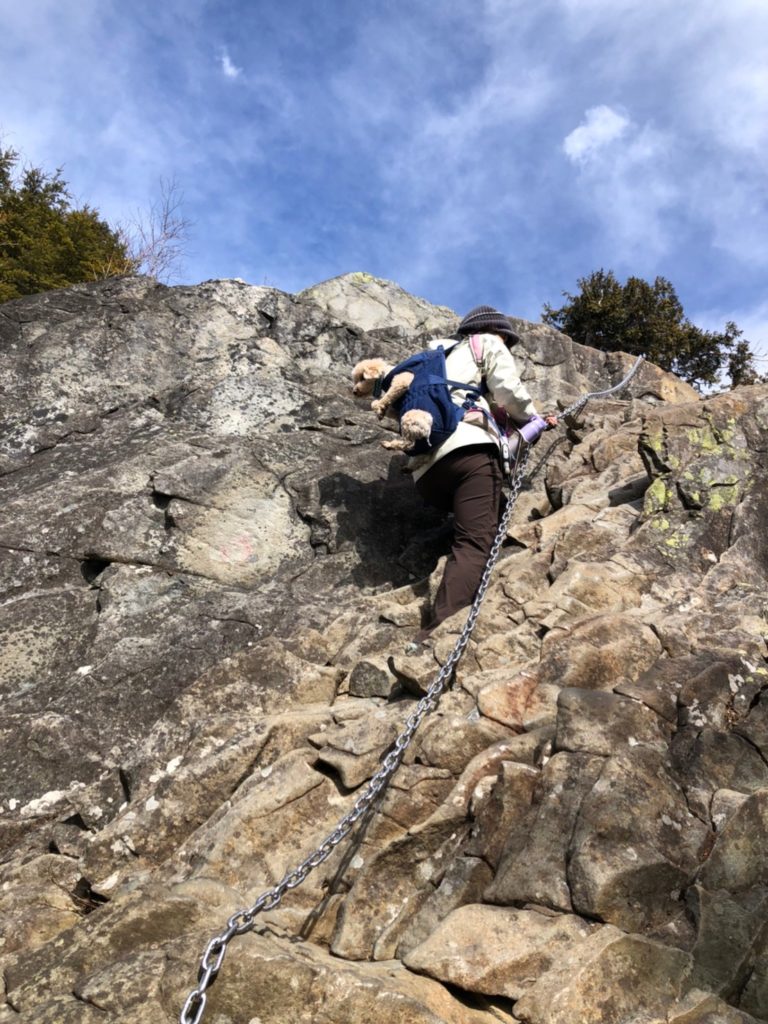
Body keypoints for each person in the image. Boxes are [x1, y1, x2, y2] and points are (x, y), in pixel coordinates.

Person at [408, 305, 556, 645]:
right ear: (496, 332)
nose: (506, 345)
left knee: (479, 523)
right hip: (469, 453)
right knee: (474, 542)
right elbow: (508, 389)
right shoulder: (487, 343)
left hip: (426, 472)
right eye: (507, 340)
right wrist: (532, 417)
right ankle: (439, 632)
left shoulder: (436, 358)